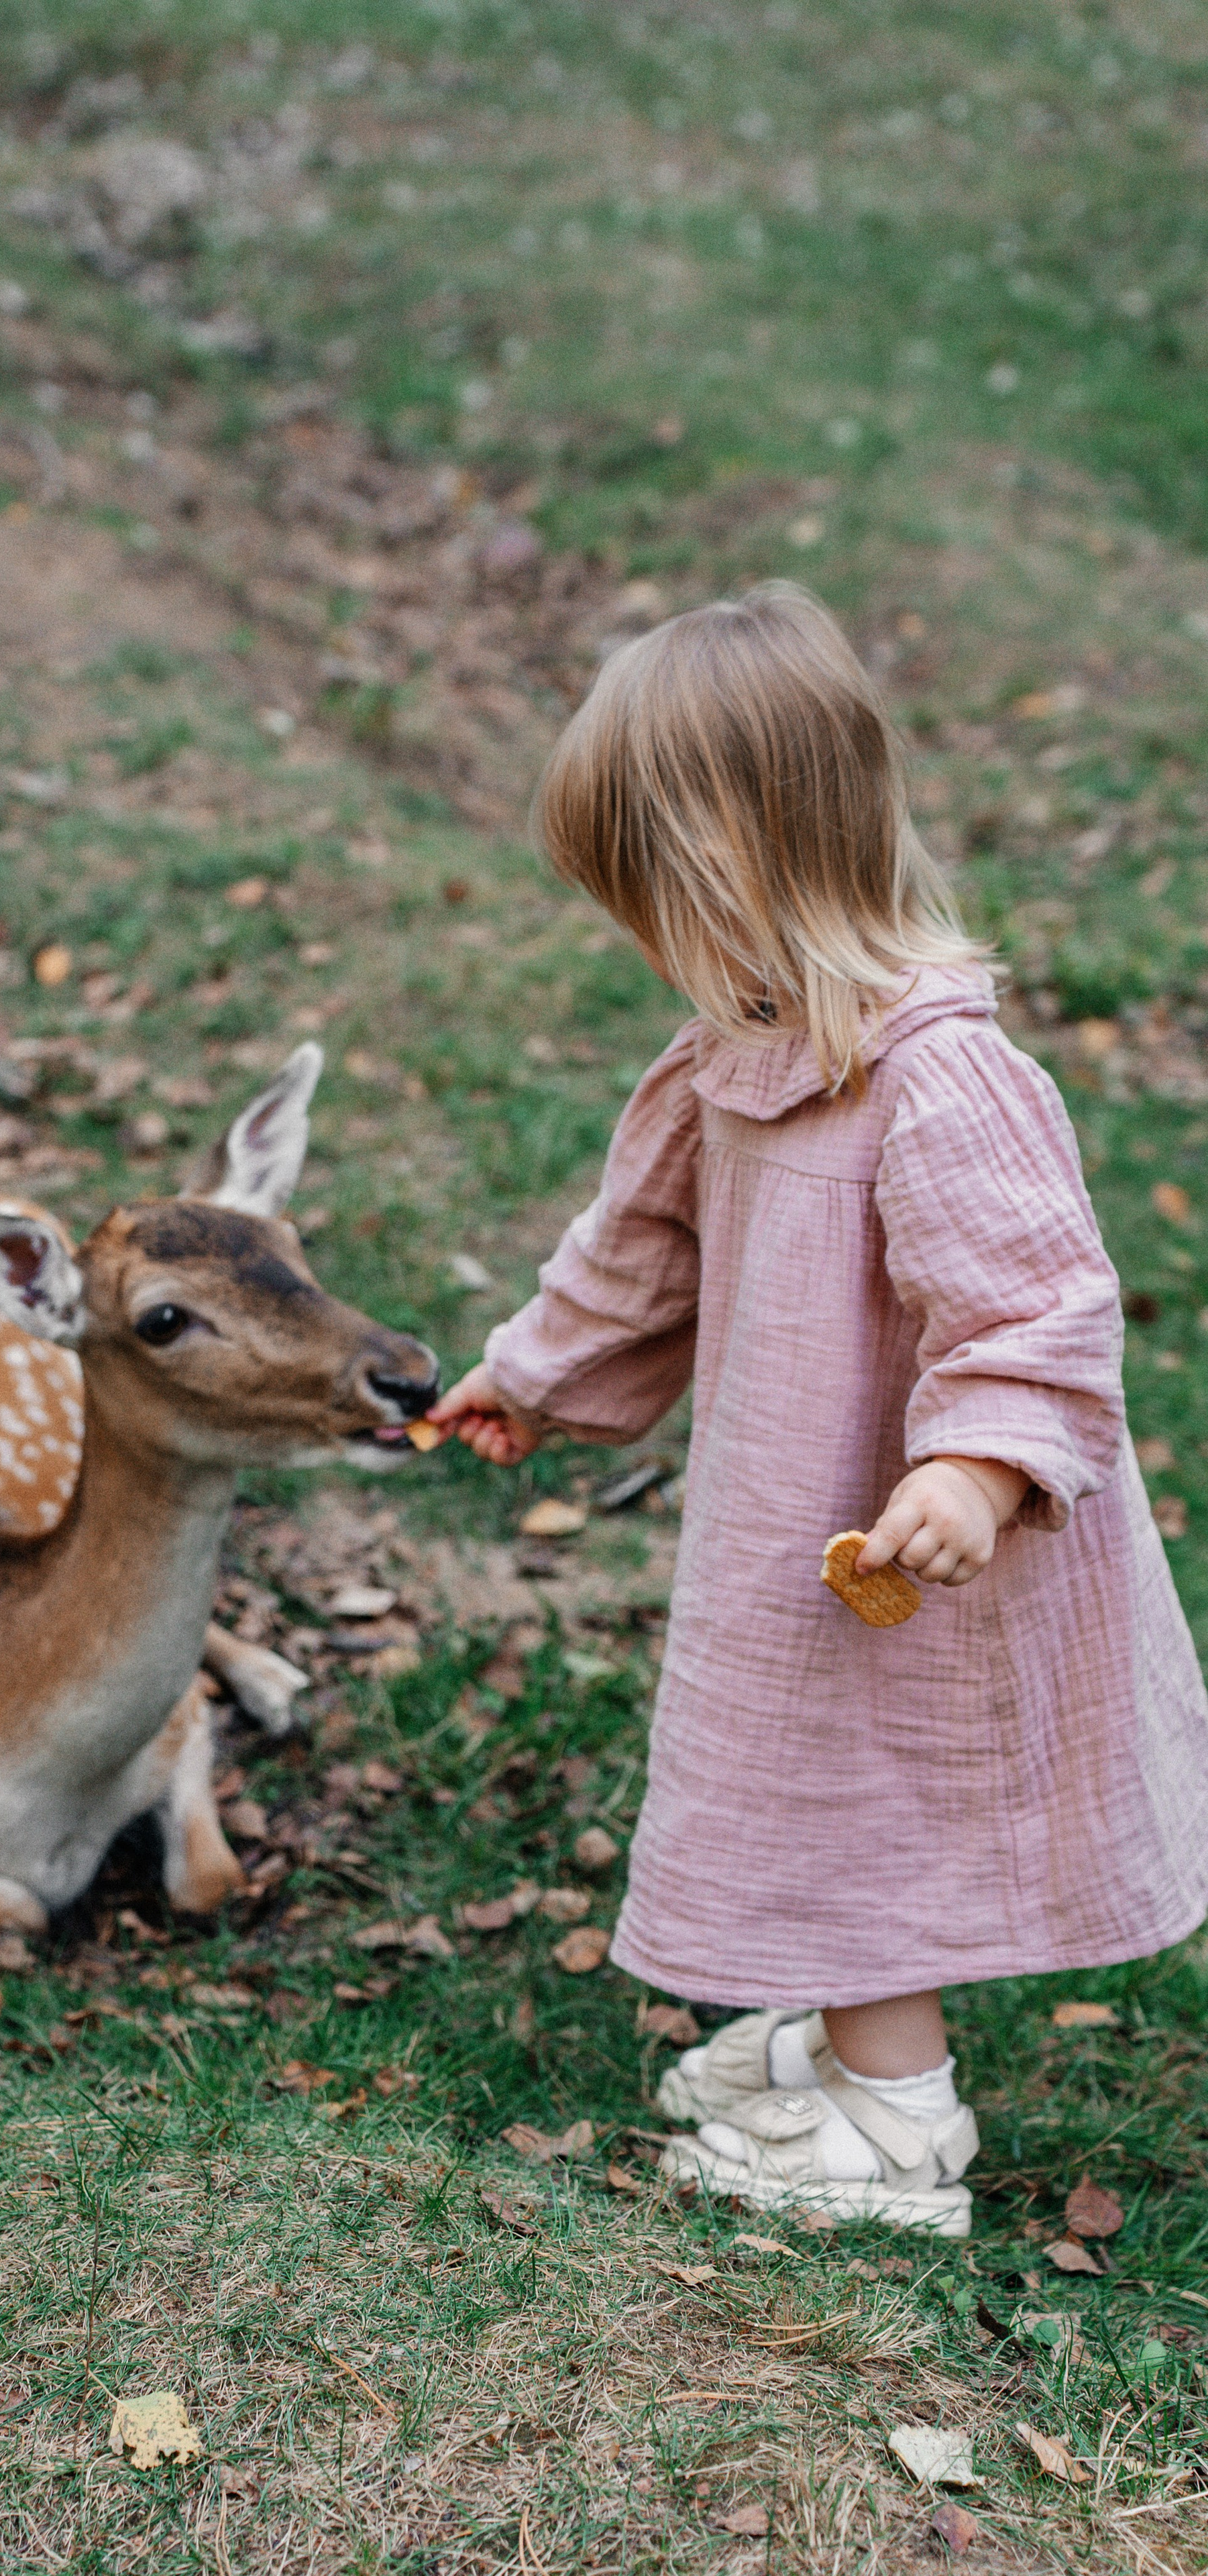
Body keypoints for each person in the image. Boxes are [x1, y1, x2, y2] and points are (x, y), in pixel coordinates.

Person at [428, 581, 1208, 2235]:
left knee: (875, 1778)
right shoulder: (728, 1052)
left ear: (748, 867)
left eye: (656, 902)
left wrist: (980, 1467)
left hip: (914, 1534)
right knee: (788, 1758)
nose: (644, 948)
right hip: (782, 1513)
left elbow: (1029, 1302)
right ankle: (834, 2036)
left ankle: (896, 2120)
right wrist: (534, 1374)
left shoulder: (936, 1076)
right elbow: (635, 1255)